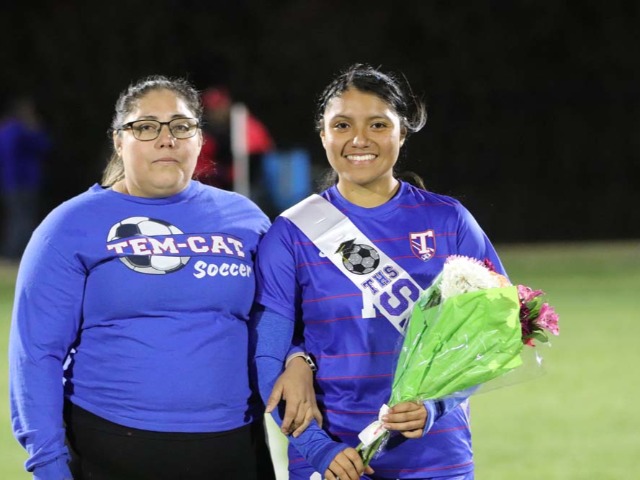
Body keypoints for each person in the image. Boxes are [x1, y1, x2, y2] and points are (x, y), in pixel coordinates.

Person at [8, 75, 281, 480]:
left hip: (235, 447)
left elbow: (279, 324)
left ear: (199, 139)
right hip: (110, 448)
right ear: (119, 141)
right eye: (147, 127)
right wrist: (48, 465)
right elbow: (36, 354)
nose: (166, 139)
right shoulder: (69, 226)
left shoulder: (245, 220)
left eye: (181, 126)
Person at [252, 63, 508, 480]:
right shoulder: (291, 233)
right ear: (323, 135)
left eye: (377, 124)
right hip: (333, 459)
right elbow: (268, 355)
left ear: (401, 133)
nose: (359, 139)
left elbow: (494, 330)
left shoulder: (449, 220)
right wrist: (318, 449)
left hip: (436, 458)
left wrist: (436, 406)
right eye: (342, 125)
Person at [0, 96, 52, 259]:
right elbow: (44, 145)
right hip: (23, 180)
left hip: (12, 180)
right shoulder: (21, 130)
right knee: (22, 219)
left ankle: (15, 253)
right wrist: (34, 128)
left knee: (18, 218)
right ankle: (17, 253)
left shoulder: (6, 129)